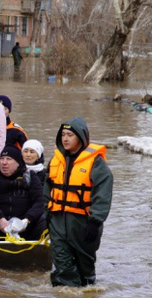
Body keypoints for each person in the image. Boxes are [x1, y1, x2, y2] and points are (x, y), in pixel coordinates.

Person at [44, 117, 113, 287]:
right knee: (62, 264)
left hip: (84, 223)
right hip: (58, 221)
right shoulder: (55, 161)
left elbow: (103, 193)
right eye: (63, 135)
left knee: (85, 271)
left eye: (70, 135)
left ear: (81, 137)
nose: (65, 139)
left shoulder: (96, 163)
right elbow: (47, 189)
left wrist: (95, 220)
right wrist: (46, 213)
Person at [0, 146, 46, 241]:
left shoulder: (30, 176)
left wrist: (27, 219)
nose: (4, 163)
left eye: (9, 159)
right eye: (2, 159)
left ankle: (32, 247)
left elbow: (40, 201)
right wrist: (0, 218)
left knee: (45, 218)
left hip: (25, 225)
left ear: (18, 163)